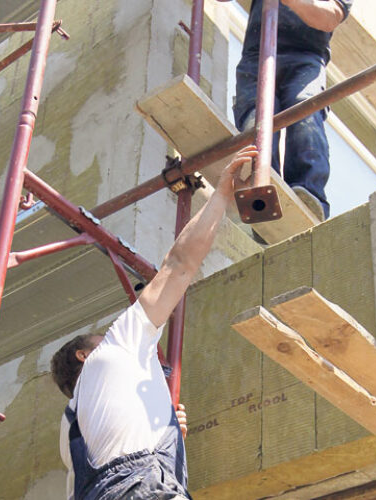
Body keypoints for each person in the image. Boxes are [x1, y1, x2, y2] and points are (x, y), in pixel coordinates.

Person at [50, 145, 259, 500]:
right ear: (84, 355)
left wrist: (164, 430)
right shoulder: (114, 351)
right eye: (100, 337)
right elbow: (179, 264)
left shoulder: (72, 430)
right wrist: (222, 194)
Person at [232, 0, 353, 222]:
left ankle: (308, 194)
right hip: (258, 55)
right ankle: (260, 188)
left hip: (305, 57)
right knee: (256, 118)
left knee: (305, 110)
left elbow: (330, 17)